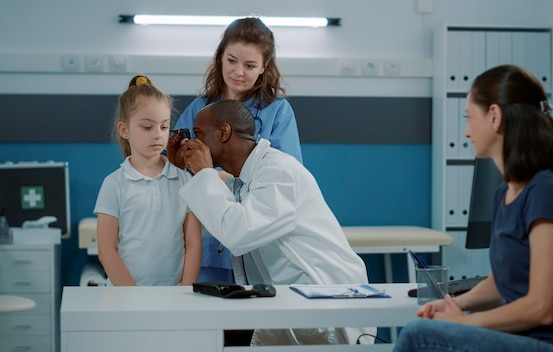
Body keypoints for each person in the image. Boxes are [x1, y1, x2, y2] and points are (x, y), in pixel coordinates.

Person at [394, 65, 553, 352]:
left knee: (418, 336)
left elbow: (541, 308)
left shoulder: (548, 192)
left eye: (470, 118)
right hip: (535, 339)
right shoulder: (504, 194)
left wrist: (462, 323)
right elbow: (500, 285)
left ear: (494, 117)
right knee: (424, 332)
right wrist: (452, 304)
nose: (467, 131)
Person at [176, 99, 374, 346]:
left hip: (323, 298)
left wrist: (205, 173)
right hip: (292, 302)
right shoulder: (246, 179)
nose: (193, 143)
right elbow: (214, 218)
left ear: (223, 132)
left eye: (198, 134)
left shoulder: (277, 172)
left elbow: (237, 234)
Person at [169, 16, 302, 284]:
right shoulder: (199, 108)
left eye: (250, 65)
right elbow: (174, 162)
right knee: (207, 316)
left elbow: (287, 175)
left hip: (257, 238)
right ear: (220, 58)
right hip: (205, 239)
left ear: (264, 67)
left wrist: (219, 176)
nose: (238, 71)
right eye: (231, 61)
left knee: (252, 321)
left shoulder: (277, 111)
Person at [94, 74, 202, 286]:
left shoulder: (184, 181)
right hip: (125, 297)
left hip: (173, 296)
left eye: (164, 127)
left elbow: (193, 243)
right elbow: (106, 250)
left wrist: (185, 291)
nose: (158, 135)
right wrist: (133, 296)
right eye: (147, 127)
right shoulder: (114, 184)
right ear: (124, 130)